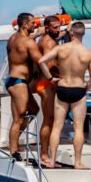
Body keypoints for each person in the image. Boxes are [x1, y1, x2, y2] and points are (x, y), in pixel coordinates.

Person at [39, 21, 91, 169]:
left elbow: (41, 61)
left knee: (56, 127)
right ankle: (77, 163)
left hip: (62, 88)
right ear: (83, 34)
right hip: (78, 90)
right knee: (78, 128)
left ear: (71, 33)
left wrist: (51, 79)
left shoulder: (61, 48)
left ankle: (51, 161)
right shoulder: (88, 53)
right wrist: (87, 87)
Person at [5, 14, 41, 160]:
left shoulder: (13, 38)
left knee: (34, 110)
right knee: (18, 118)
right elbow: (40, 60)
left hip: (14, 80)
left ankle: (14, 141)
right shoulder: (26, 41)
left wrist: (37, 34)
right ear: (25, 24)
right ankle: (13, 151)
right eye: (33, 23)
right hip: (19, 82)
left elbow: (23, 43)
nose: (35, 25)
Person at [35, 16, 65, 166]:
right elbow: (49, 63)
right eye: (54, 27)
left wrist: (62, 36)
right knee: (49, 119)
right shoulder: (48, 42)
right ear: (47, 28)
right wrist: (59, 74)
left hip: (43, 83)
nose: (58, 30)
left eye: (59, 27)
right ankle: (44, 155)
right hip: (46, 84)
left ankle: (45, 154)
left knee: (50, 119)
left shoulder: (45, 39)